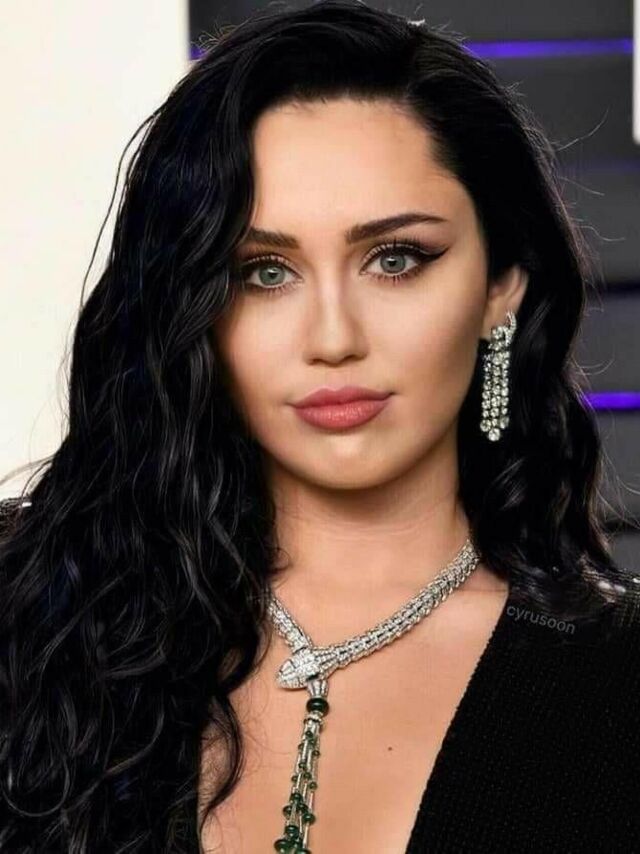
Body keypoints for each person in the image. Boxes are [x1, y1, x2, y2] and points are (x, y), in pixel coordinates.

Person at [1, 1, 639, 851]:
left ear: (501, 286)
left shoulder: (619, 680)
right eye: (264, 272)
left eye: (395, 260)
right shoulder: (33, 616)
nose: (333, 338)